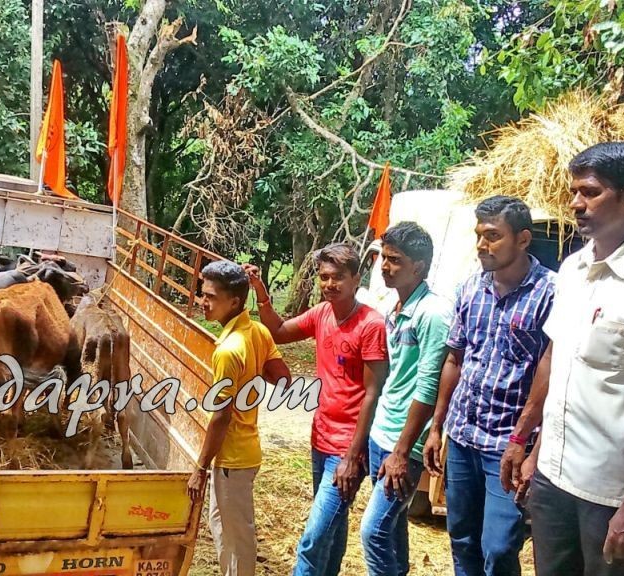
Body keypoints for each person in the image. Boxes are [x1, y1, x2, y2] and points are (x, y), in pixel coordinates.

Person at [500, 142, 624, 576]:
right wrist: (527, 443)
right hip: (552, 478)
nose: (576, 203)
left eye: (590, 192)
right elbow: (556, 358)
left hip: (609, 493)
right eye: (574, 192)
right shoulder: (573, 269)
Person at [422, 196, 555, 576]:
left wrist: (529, 446)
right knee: (462, 538)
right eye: (479, 235)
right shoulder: (470, 289)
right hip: (463, 436)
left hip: (508, 446)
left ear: (523, 240)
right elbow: (455, 360)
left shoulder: (551, 293)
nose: (482, 245)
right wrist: (437, 427)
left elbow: (553, 373)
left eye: (493, 236)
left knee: (498, 548)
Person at [243, 243, 389, 576]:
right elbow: (278, 332)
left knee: (313, 539)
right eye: (324, 277)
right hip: (320, 439)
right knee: (331, 531)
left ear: (356, 279)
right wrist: (261, 293)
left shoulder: (371, 325)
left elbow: (373, 392)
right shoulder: (322, 313)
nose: (329, 284)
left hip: (347, 448)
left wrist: (353, 456)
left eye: (338, 277)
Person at [186, 260, 291, 576]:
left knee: (238, 538)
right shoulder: (256, 332)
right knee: (222, 526)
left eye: (211, 297)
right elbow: (282, 377)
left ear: (234, 302)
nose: (203, 302)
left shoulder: (229, 350)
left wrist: (200, 468)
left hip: (232, 458)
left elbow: (221, 416)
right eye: (202, 294)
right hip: (246, 452)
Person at [360, 222, 451, 575]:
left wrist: (401, 451)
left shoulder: (433, 314)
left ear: (419, 266)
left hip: (405, 443)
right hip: (382, 432)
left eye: (395, 260)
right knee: (393, 526)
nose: (385, 266)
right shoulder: (395, 307)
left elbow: (428, 386)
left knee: (373, 531)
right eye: (384, 257)